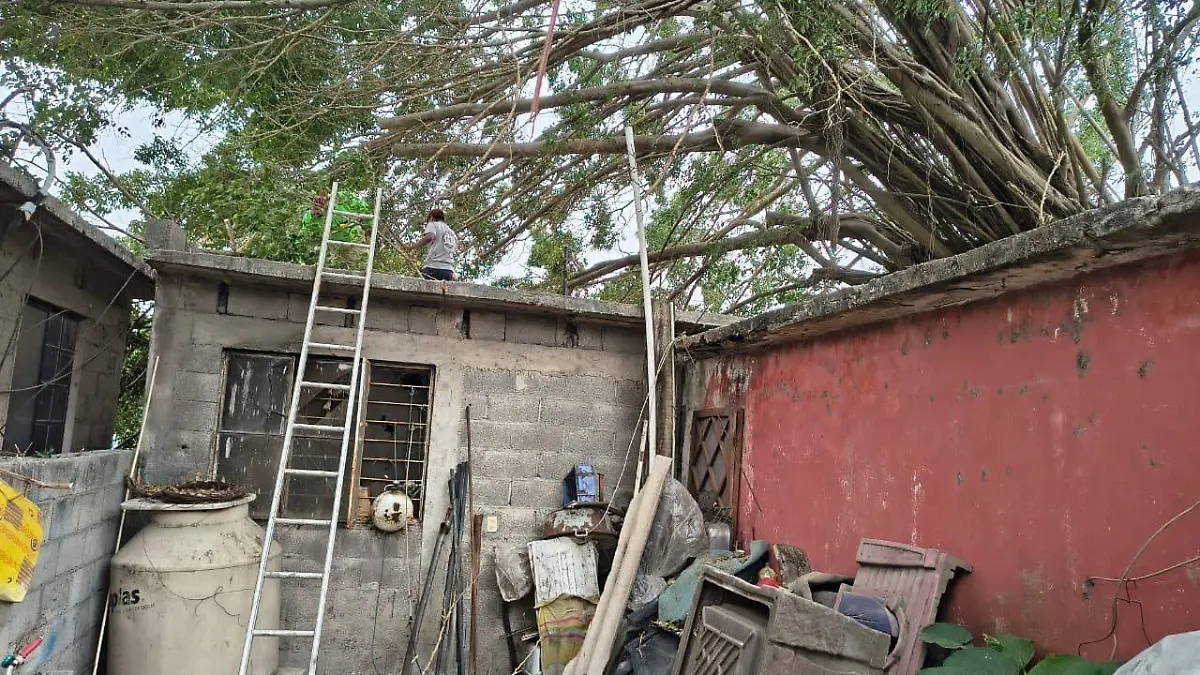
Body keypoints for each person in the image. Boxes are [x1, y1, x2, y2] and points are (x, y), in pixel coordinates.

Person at [405, 208, 458, 281]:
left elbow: (429, 237)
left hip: (433, 267)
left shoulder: (433, 224)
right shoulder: (451, 232)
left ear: (431, 217)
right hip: (448, 270)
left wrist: (412, 247)